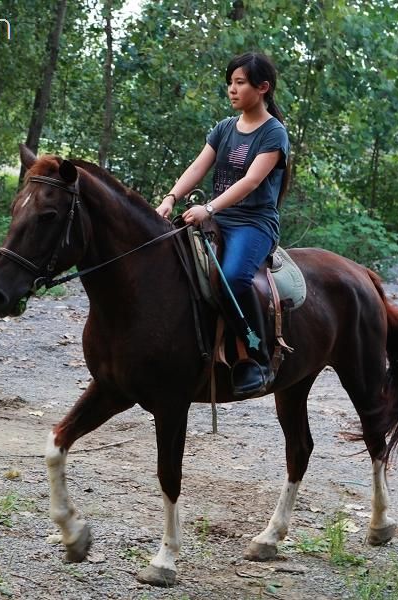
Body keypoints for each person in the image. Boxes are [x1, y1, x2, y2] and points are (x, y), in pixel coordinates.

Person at [155, 51, 290, 399]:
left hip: (254, 223)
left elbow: (251, 182)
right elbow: (198, 168)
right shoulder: (224, 129)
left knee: (232, 278)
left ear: (263, 88)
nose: (232, 89)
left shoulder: (274, 134)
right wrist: (171, 198)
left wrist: (208, 208)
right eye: (230, 83)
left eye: (240, 83)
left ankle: (257, 356)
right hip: (217, 218)